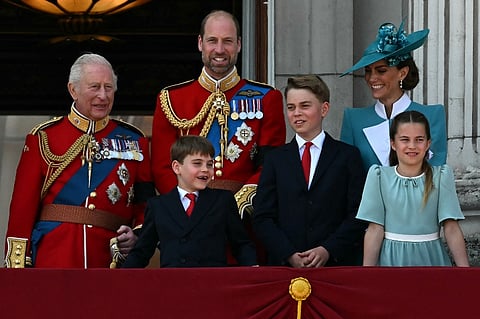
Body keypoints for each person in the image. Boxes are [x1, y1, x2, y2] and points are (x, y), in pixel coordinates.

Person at [4, 53, 155, 268]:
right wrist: (17, 269)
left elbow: (145, 206)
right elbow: (22, 210)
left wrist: (137, 235)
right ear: (72, 90)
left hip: (108, 262)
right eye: (94, 87)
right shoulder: (44, 137)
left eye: (108, 87)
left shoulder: (135, 140)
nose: (103, 96)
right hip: (54, 258)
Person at [151, 10, 286, 216]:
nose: (220, 49)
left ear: (239, 44)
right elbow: (162, 168)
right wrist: (188, 206)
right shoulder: (171, 99)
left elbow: (270, 166)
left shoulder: (266, 98)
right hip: (188, 221)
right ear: (200, 43)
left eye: (228, 41)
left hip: (243, 220)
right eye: (212, 41)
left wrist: (238, 205)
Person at [252, 75, 367, 267]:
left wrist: (328, 249)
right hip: (284, 268)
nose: (296, 113)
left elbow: (357, 214)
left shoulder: (347, 156)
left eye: (305, 106)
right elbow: (263, 216)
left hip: (335, 267)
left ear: (324, 109)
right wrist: (288, 254)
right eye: (291, 107)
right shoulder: (275, 159)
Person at [122, 135, 257, 268]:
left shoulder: (223, 200)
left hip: (213, 282)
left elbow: (241, 244)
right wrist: (121, 278)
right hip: (175, 283)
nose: (205, 169)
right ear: (176, 167)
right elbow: (142, 252)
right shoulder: (158, 205)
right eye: (197, 163)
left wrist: (253, 268)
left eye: (209, 164)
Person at [356, 110, 469, 267]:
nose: (412, 146)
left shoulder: (441, 176)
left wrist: (465, 273)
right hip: (391, 261)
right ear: (393, 144)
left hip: (431, 259)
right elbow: (375, 229)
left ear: (428, 143)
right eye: (405, 139)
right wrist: (367, 274)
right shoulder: (379, 176)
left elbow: (450, 227)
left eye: (419, 139)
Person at [340, 21, 447, 172]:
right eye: (368, 71)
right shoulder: (353, 119)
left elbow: (436, 173)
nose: (371, 78)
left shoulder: (432, 115)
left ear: (402, 73)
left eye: (381, 70)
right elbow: (347, 175)